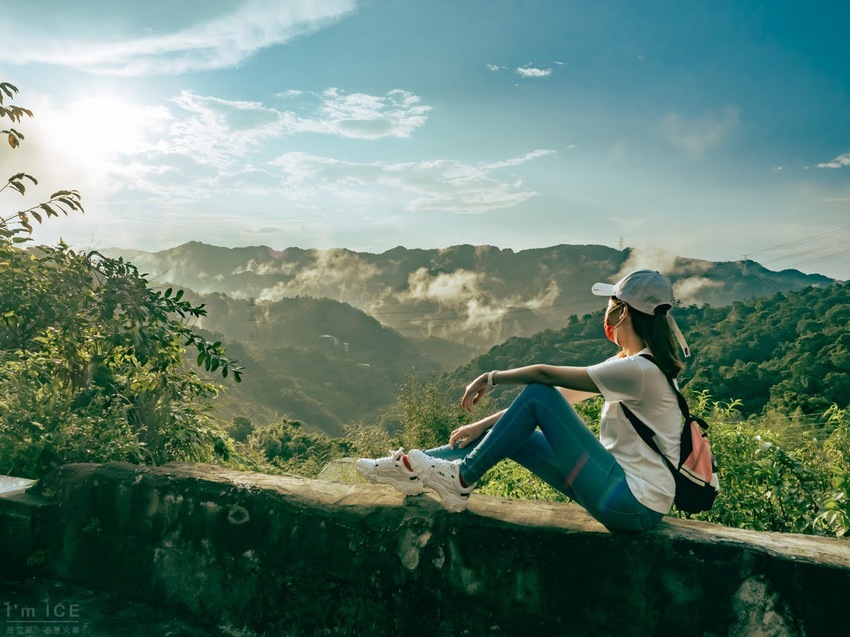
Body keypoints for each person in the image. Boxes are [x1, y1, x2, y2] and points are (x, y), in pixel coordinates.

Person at [356, 269, 691, 532]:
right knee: (510, 432)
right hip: (616, 490)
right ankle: (409, 467)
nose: (604, 312)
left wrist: (491, 377)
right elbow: (551, 403)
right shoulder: (628, 366)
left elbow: (544, 383)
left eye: (610, 305)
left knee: (536, 393)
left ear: (622, 312)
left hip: (633, 502)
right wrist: (480, 425)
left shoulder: (639, 370)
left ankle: (460, 480)